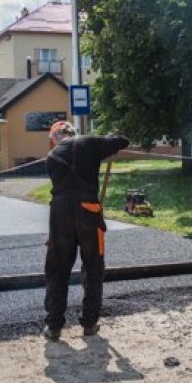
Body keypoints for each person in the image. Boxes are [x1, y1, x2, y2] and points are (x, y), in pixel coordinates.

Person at [43, 121, 129, 341]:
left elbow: (62, 190)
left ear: (54, 138)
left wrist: (53, 234)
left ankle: (54, 327)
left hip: (60, 214)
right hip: (88, 211)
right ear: (73, 133)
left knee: (57, 268)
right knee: (93, 268)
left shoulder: (51, 157)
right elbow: (122, 141)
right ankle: (89, 323)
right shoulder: (89, 143)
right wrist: (106, 142)